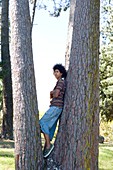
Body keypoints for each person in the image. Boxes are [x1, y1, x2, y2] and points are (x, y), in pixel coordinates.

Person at [39, 64, 67, 158]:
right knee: (49, 126)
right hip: (57, 107)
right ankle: (48, 144)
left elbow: (55, 94)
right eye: (54, 72)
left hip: (56, 107)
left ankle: (48, 145)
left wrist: (52, 92)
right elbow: (52, 95)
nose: (55, 73)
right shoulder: (59, 83)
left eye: (57, 71)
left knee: (42, 123)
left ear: (61, 73)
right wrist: (52, 93)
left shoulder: (61, 82)